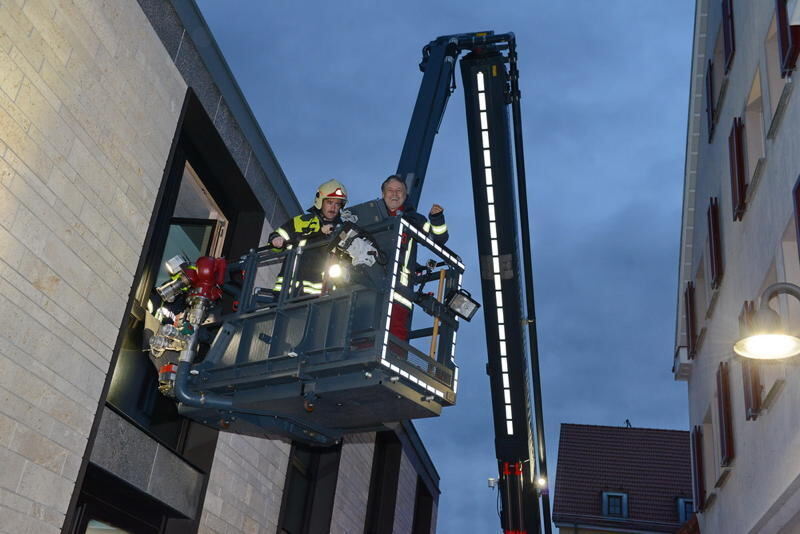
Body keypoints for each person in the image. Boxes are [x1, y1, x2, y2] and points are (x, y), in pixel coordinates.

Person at [380, 174, 448, 347]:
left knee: (395, 343)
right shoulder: (370, 217)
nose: (394, 194)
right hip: (369, 288)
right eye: (390, 190)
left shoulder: (414, 219)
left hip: (400, 293)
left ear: (405, 195)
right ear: (383, 193)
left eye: (399, 191)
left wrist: (436, 218)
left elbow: (438, 238)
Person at [268, 179, 347, 295]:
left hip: (319, 298)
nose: (334, 208)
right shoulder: (301, 221)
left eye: (337, 204)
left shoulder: (343, 231)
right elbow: (275, 242)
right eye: (330, 202)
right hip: (285, 293)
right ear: (320, 201)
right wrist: (276, 240)